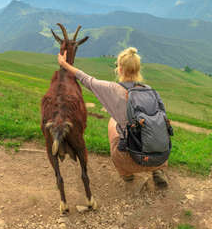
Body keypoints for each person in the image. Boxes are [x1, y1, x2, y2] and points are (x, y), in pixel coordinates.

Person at [57, 47, 168, 188]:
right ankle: (158, 171)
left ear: (120, 69)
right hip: (161, 157)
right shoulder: (151, 91)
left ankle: (126, 174)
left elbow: (86, 79)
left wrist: (64, 64)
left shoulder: (112, 89)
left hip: (130, 159)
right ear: (138, 70)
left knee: (113, 122)